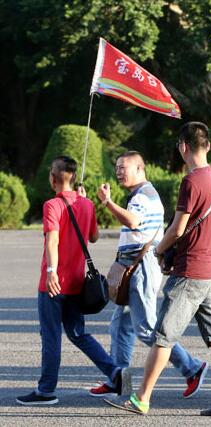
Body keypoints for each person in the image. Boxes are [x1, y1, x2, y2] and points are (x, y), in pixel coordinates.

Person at [104, 122, 211, 416]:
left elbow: (178, 227)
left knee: (162, 337)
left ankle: (141, 397)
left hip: (190, 272)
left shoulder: (191, 181)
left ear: (183, 147)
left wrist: (160, 249)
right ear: (206, 145)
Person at [88, 151, 208, 399]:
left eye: (125, 167)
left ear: (140, 169)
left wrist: (107, 203)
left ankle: (193, 368)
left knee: (144, 328)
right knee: (120, 326)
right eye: (117, 166)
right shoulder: (140, 195)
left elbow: (133, 222)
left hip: (141, 267)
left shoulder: (143, 196)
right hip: (133, 266)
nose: (119, 171)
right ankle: (118, 379)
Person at [16, 156, 131, 405]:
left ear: (53, 178)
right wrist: (84, 202)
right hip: (78, 282)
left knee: (51, 335)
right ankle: (114, 371)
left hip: (54, 283)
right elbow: (95, 237)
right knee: (78, 333)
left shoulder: (52, 205)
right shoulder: (87, 204)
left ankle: (46, 391)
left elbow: (52, 240)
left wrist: (51, 271)